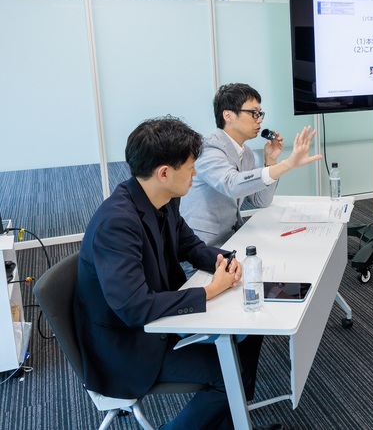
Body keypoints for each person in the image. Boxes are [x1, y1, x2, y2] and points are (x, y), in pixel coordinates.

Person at [74, 116, 263, 429]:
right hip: (129, 347)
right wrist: (209, 291)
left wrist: (224, 260)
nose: (195, 173)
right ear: (164, 173)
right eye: (190, 167)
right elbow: (134, 308)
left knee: (248, 336)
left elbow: (189, 245)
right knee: (232, 374)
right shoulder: (117, 224)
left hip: (159, 321)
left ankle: (232, 418)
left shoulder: (163, 199)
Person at [182, 83, 322, 248]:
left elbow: (261, 201)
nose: (260, 119)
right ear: (228, 115)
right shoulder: (209, 149)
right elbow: (232, 184)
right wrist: (288, 164)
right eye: (253, 113)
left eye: (260, 113)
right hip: (202, 246)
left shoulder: (246, 153)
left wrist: (270, 161)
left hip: (233, 238)